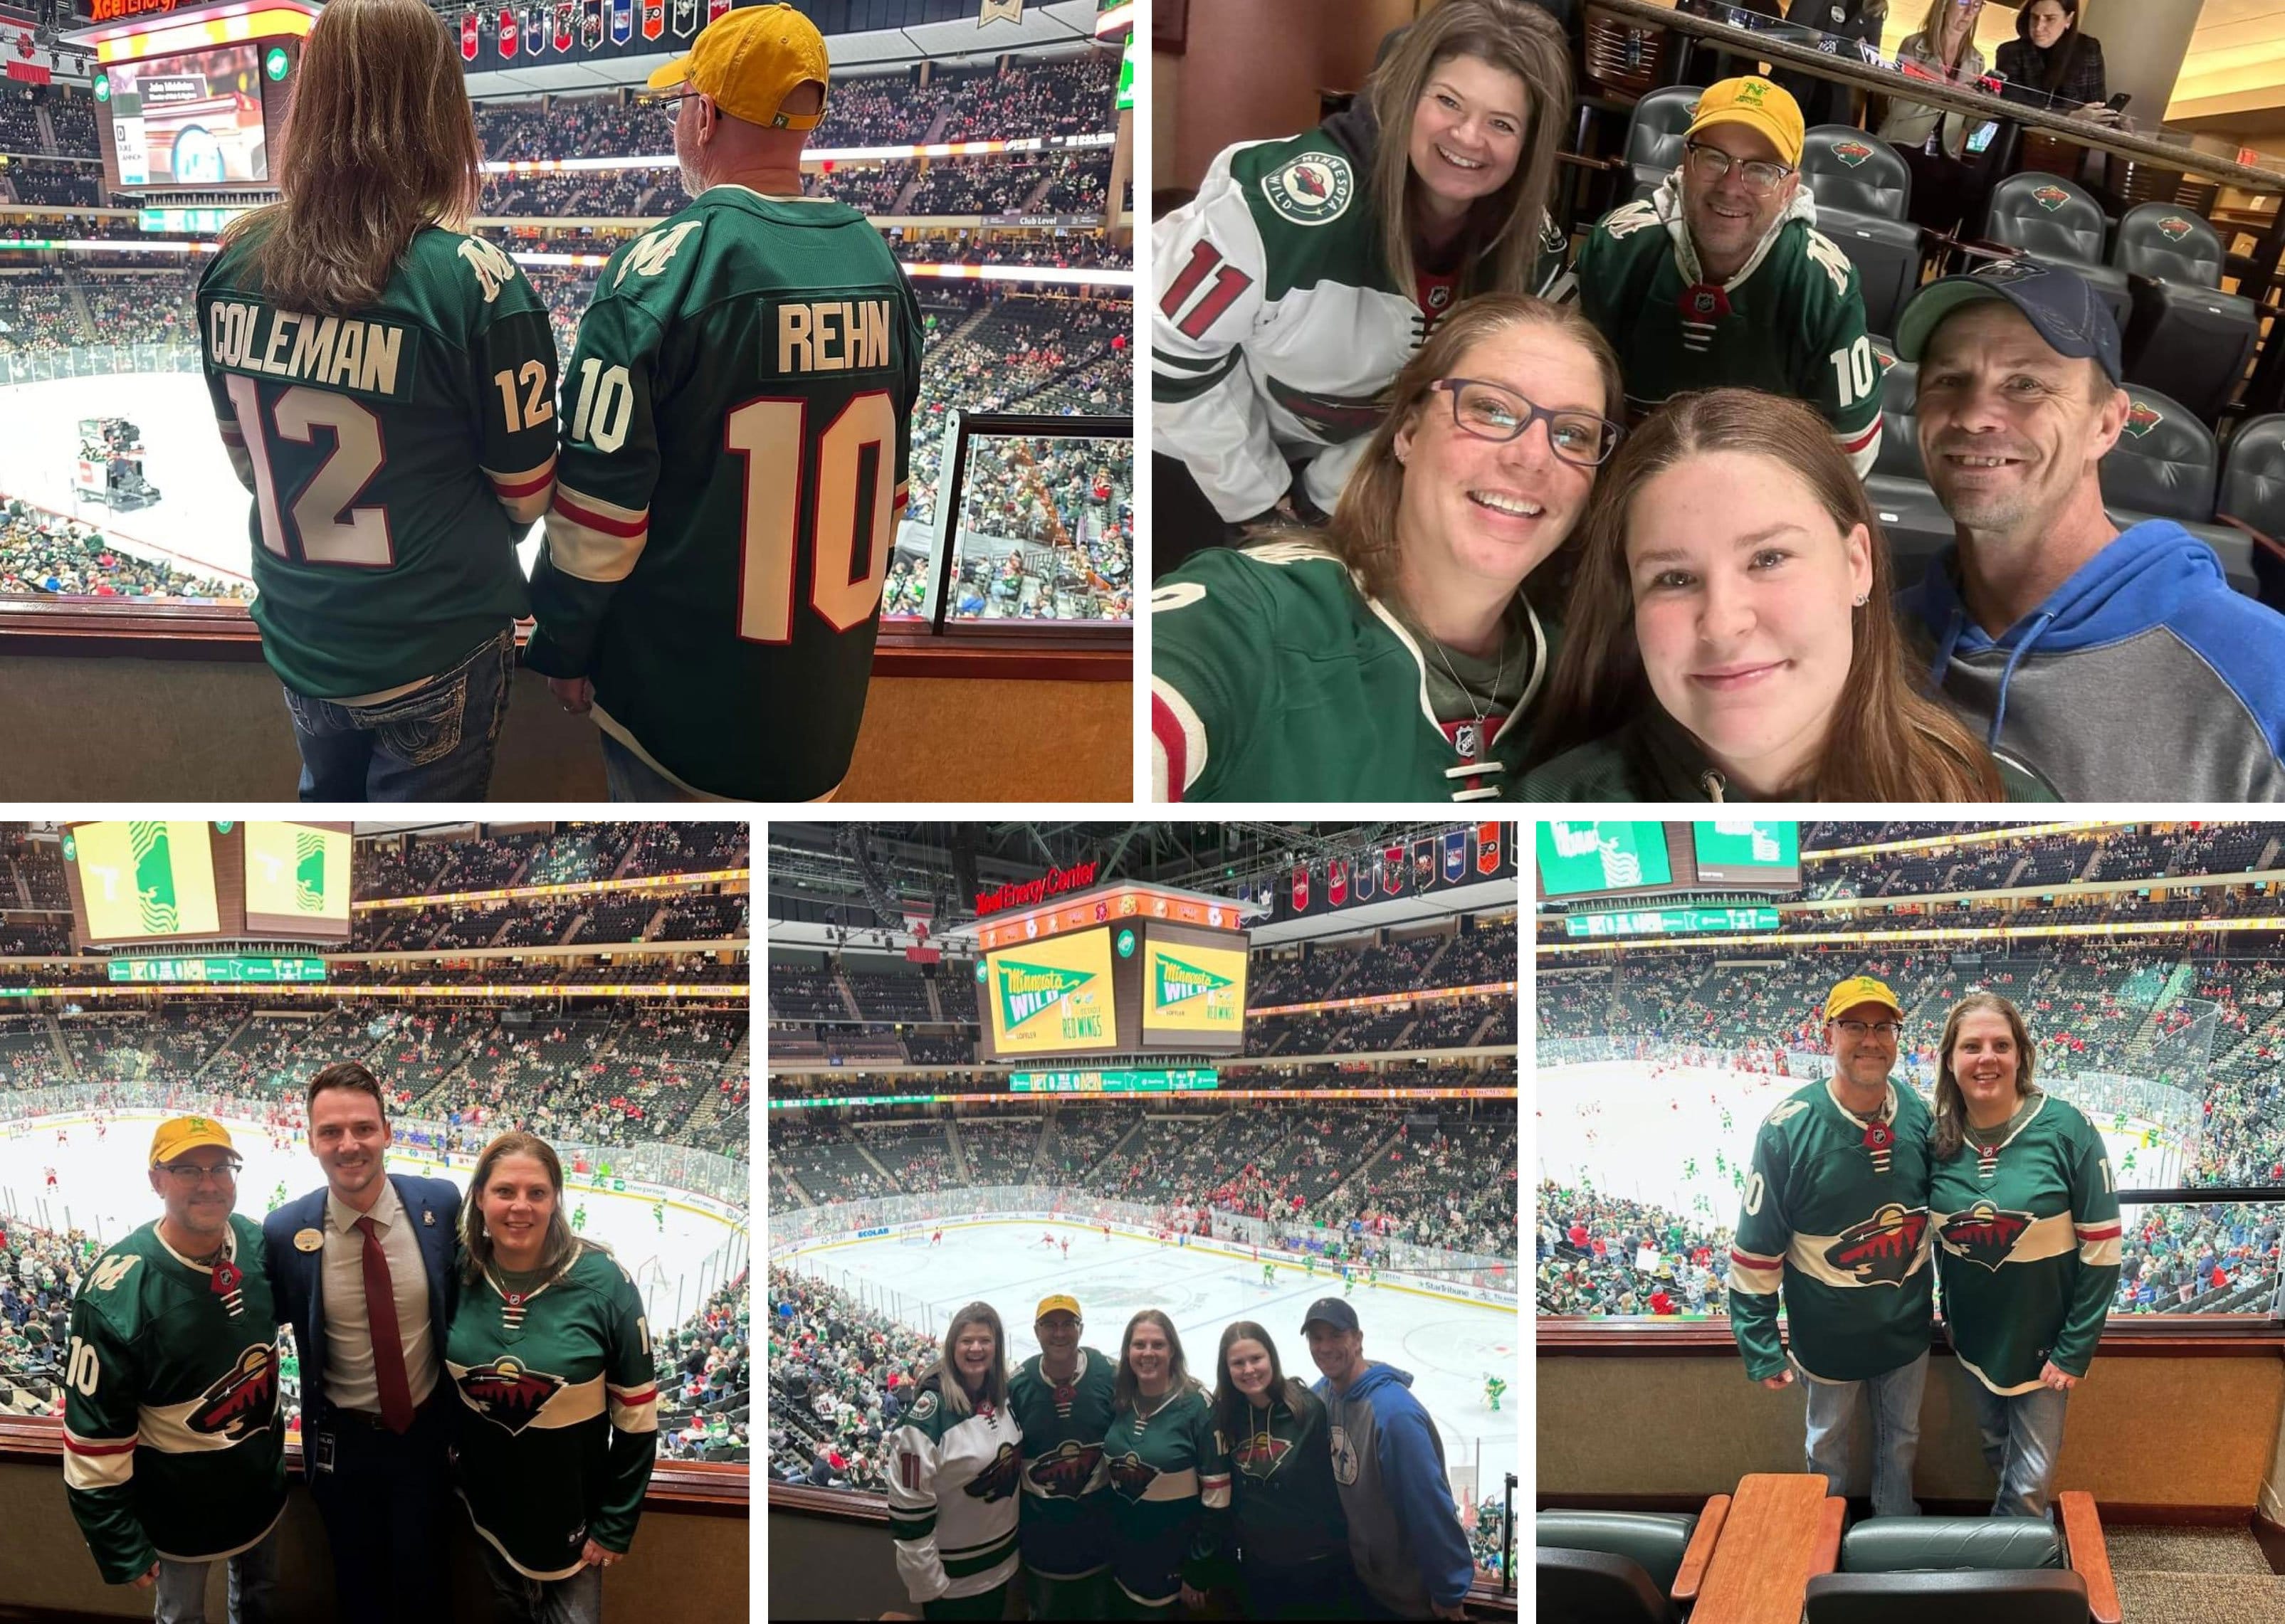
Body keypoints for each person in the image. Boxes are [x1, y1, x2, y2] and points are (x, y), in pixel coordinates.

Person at [526, 2, 925, 801]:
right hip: (818, 726)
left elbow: (599, 514)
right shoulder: (879, 264)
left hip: (681, 718)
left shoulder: (664, 268)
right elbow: (890, 502)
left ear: (703, 117)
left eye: (684, 103)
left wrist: (563, 646)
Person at [196, 0, 557, 801]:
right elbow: (529, 497)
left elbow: (253, 469)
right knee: (416, 843)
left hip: (304, 635)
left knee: (330, 822)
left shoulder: (231, 266)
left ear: (313, 105)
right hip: (436, 641)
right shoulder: (477, 281)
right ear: (441, 113)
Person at [1152, 292, 1624, 802]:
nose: (1532, 457)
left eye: (1575, 434)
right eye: (1491, 409)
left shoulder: (1596, 668)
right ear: (1408, 432)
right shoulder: (1249, 611)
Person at [1152, 0, 1573, 548]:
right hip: (1199, 451)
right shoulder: (1284, 210)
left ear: (1530, 145)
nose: (1470, 137)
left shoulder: (1531, 253)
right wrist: (1259, 501)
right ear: (1404, 95)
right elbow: (1171, 361)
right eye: (1449, 101)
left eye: (1502, 123)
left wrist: (1319, 502)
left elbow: (1442, 403)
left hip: (1347, 472)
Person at [1521, 389, 2053, 800]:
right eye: (1674, 579)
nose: (1723, 623)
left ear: (1856, 565)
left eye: (1768, 559)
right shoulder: (1544, 813)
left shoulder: (2004, 806)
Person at [1895, 259, 2285, 798]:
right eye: (1949, 380)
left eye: (2026, 384)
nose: (1973, 415)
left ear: (2105, 425)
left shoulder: (2264, 674)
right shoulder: (1879, 639)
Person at [1578, 76, 1884, 477]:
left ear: (1790, 188)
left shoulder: (1823, 283)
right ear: (1685, 161)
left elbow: (1851, 453)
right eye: (1713, 157)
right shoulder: (1620, 243)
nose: (1731, 186)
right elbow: (1557, 384)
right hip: (1617, 476)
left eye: (1760, 170)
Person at [63, 1117, 285, 1623]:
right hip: (177, 1516)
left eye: (221, 1167)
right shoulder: (116, 1293)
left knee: (262, 1604)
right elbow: (93, 1436)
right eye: (187, 1168)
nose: (208, 1182)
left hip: (263, 1495)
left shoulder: (255, 1242)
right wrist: (118, 1540)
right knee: (181, 1617)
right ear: (156, 1180)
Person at [1728, 976, 1935, 1518]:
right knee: (1826, 1446)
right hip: (1827, 1333)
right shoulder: (1787, 1131)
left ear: (1897, 1037)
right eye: (1855, 1026)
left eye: (1883, 1027)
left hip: (1907, 1326)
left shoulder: (1920, 1112)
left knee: (1903, 1439)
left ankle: (1894, 1533)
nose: (1871, 1040)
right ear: (1828, 1035)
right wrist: (1760, 1340)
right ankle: (1825, 1538)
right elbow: (1756, 1247)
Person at [261, 1063, 458, 1624]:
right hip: (341, 1447)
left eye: (363, 1128)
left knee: (427, 1585)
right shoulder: (284, 1230)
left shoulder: (440, 1205)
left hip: (425, 1438)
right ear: (311, 1141)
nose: (349, 1145)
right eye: (331, 1132)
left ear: (388, 1131)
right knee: (357, 1586)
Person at [446, 1132, 657, 1621]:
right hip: (485, 1515)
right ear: (479, 1197)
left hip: (573, 1526)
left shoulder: (606, 1283)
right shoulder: (455, 1271)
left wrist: (616, 1522)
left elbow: (637, 1419)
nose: (521, 1207)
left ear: (556, 1199)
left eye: (537, 1193)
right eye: (505, 1191)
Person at [1928, 993, 2120, 1518]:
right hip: (1973, 1339)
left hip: (2045, 1347)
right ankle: (2015, 1559)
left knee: (2030, 1480)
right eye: (1972, 1046)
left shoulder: (2066, 1129)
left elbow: (2102, 1251)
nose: (1986, 1057)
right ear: (1951, 1059)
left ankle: (2012, 1578)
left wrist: (2076, 1348)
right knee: (1995, 1449)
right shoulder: (1937, 1140)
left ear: (2020, 1055)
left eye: (2000, 1045)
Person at [1303, 1297, 1472, 1621]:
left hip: (1407, 1599)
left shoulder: (1394, 1415)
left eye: (1335, 1336)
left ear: (1358, 1339)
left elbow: (1428, 1505)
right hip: (1365, 1583)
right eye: (1316, 1338)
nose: (1324, 1347)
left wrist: (1449, 1589)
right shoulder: (1326, 1393)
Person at [885, 1301, 1024, 1620]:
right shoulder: (927, 1419)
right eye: (967, 1341)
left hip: (1001, 1567)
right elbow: (909, 1513)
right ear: (952, 1348)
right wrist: (930, 1585)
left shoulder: (1001, 1397)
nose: (976, 1348)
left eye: (985, 1341)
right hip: (955, 1584)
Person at [1214, 1321, 1352, 1620]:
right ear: (1227, 1370)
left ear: (1271, 1359)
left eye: (1256, 1359)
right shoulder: (1226, 1416)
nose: (1249, 1369)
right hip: (1258, 1570)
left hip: (1316, 1567)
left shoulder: (1307, 1410)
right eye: (1238, 1363)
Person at [1102, 1309, 1229, 1618]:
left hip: (1175, 1569)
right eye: (1139, 1345)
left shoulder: (1198, 1406)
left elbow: (1218, 1499)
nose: (1148, 1353)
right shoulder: (1119, 1398)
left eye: (1157, 1345)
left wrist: (1198, 1570)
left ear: (1173, 1350)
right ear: (1127, 1351)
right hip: (1122, 1562)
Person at [1008, 1295, 1116, 1619]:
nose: (1059, 1333)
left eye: (1068, 1324)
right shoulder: (1018, 1384)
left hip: (1101, 1543)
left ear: (1080, 1329)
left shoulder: (1108, 1374)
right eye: (1050, 1325)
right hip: (1042, 1547)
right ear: (1036, 1331)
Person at [1876, 0, 1987, 236]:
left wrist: (1986, 103)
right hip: (1903, 143)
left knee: (1970, 185)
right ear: (1945, 4)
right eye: (1964, 2)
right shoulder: (1913, 45)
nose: (1970, 12)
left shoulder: (1976, 60)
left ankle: (1926, 250)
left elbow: (1971, 126)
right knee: (1924, 178)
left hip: (1945, 154)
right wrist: (1949, 91)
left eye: (1977, 5)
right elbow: (1898, 107)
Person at [1993, 0, 2111, 122]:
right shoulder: (2010, 52)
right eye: (2034, 17)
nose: (2039, 27)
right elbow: (2012, 107)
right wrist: (2069, 116)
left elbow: (2098, 104)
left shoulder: (2088, 48)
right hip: (2016, 135)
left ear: (2069, 19)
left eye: (2050, 19)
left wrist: (2114, 123)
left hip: (2068, 139)